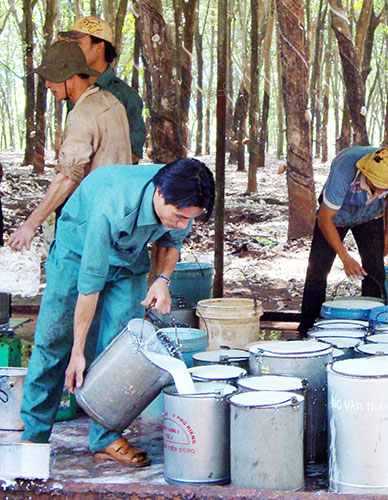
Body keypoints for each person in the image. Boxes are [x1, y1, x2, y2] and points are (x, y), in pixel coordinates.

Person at [20, 158, 215, 467]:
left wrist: (162, 280)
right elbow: (90, 286)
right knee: (55, 341)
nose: (183, 224)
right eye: (178, 217)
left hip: (129, 259)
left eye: (189, 219)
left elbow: (170, 243)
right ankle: (34, 434)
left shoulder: (185, 197)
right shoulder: (111, 206)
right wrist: (78, 351)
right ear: (159, 194)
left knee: (122, 348)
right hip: (77, 256)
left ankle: (106, 436)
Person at [7, 40, 131, 252]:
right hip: (120, 215)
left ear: (70, 77)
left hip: (92, 221)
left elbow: (67, 177)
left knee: (66, 280)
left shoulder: (82, 115)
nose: (47, 85)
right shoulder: (112, 101)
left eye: (51, 79)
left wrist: (30, 225)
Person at [298, 147, 388, 335]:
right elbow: (325, 218)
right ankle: (308, 328)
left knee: (374, 270)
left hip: (371, 214)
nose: (384, 190)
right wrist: (345, 257)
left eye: (387, 187)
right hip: (336, 214)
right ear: (367, 175)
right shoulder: (344, 172)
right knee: (318, 269)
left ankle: (372, 326)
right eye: (380, 185)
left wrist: (387, 234)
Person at [60, 15, 146, 163]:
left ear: (99, 46)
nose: (72, 51)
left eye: (78, 44)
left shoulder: (125, 96)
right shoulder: (74, 89)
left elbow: (132, 153)